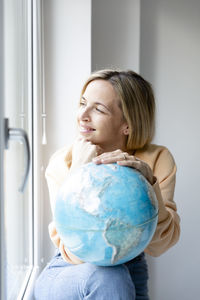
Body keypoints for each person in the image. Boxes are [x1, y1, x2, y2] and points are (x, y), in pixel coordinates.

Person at [34, 69, 180, 300]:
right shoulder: (63, 162)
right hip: (68, 270)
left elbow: (159, 246)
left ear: (128, 125)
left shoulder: (156, 159)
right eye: (83, 103)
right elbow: (73, 253)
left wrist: (149, 185)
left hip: (130, 269)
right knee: (110, 278)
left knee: (117, 278)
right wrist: (77, 173)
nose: (83, 114)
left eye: (99, 109)